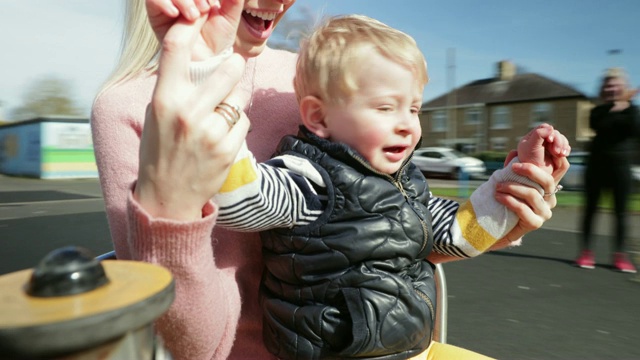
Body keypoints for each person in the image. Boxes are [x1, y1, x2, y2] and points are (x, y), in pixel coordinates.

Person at [90, 1, 570, 359]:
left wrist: (511, 196)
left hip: (399, 342)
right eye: (386, 109)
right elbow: (245, 197)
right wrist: (212, 111)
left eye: (415, 109)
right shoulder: (128, 107)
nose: (406, 123)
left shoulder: (317, 73)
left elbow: (416, 237)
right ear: (316, 117)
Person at [577, 68, 640, 273]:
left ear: (623, 87)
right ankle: (586, 253)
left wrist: (623, 107)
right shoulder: (597, 111)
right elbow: (601, 126)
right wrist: (617, 108)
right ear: (604, 89)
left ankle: (620, 256)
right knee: (590, 211)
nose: (612, 88)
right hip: (596, 167)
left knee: (620, 213)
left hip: (621, 168)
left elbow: (633, 129)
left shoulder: (633, 111)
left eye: (616, 84)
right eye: (608, 85)